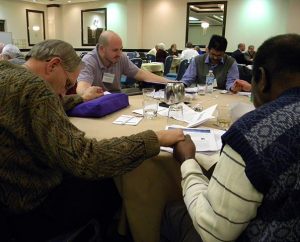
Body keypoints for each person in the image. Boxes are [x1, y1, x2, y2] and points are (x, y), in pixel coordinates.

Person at [0, 39, 185, 241]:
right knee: (112, 184)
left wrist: (79, 98)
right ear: (53, 65)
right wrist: (154, 139)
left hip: (8, 200)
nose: (64, 91)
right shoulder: (36, 87)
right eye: (68, 84)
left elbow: (37, 105)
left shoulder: (9, 73)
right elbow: (85, 158)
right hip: (31, 208)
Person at [160, 33, 300, 242]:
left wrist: (188, 162)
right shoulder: (197, 62)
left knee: (171, 210)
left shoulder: (254, 132)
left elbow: (214, 231)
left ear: (261, 78)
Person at [76, 31, 168, 94]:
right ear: (102, 49)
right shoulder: (89, 61)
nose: (119, 53)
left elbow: (141, 74)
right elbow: (82, 88)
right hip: (98, 102)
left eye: (121, 49)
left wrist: (170, 82)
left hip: (117, 99)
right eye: (115, 50)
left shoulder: (120, 57)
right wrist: (87, 92)